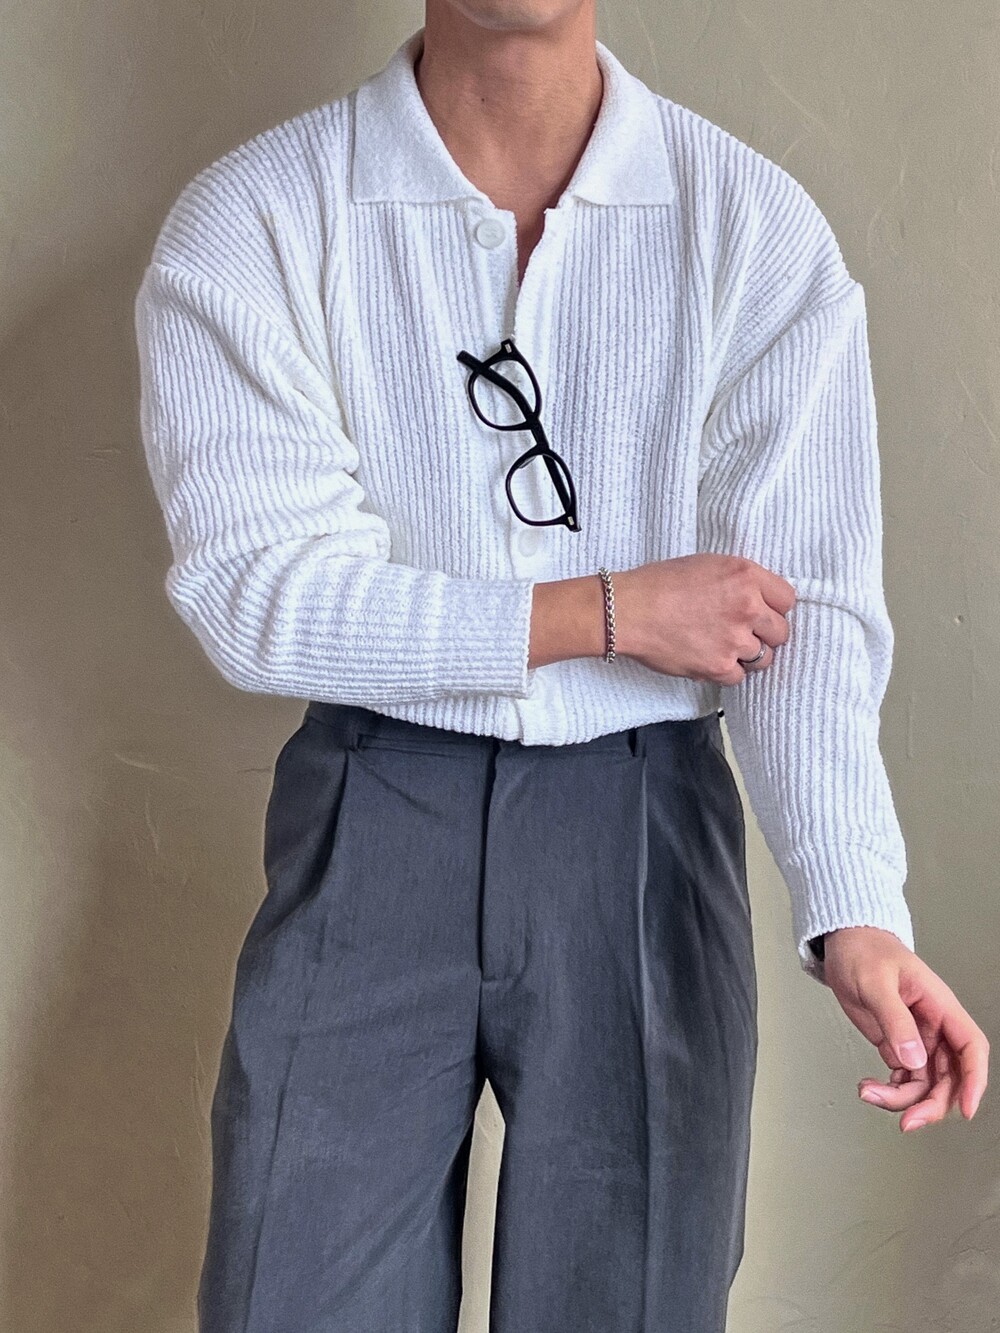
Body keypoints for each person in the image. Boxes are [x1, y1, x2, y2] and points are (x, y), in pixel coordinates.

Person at [133, 3, 989, 1330]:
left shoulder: (749, 227)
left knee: (632, 1299)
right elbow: (263, 595)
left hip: (642, 825)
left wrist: (856, 904)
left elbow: (801, 610)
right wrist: (606, 612)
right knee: (291, 1294)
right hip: (371, 808)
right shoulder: (258, 220)